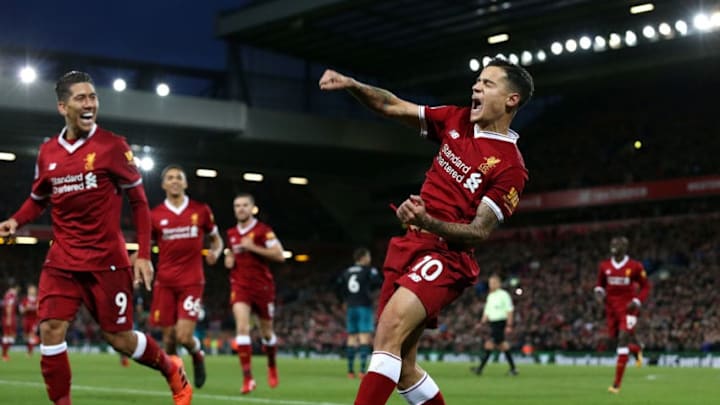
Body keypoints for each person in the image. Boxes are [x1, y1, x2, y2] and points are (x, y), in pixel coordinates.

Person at [319, 58, 533, 405]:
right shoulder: (457, 119)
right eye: (477, 81)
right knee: (403, 366)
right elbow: (392, 105)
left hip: (446, 255)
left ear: (512, 99)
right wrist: (353, 85)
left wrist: (429, 221)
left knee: (387, 332)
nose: (476, 87)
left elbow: (478, 232)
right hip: (409, 244)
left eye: (488, 84)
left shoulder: (510, 167)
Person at [0, 71, 192, 405]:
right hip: (62, 260)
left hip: (107, 261)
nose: (90, 104)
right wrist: (16, 221)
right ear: (63, 107)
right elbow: (39, 198)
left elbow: (139, 202)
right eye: (81, 98)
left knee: (119, 339)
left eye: (93, 97)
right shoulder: (47, 152)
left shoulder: (113, 146)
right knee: (50, 329)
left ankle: (170, 368)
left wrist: (144, 253)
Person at [148, 164, 223, 388]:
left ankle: (197, 354)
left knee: (183, 336)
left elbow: (217, 240)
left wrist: (216, 253)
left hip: (192, 281)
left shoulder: (200, 211)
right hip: (165, 282)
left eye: (179, 178)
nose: (174, 181)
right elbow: (145, 246)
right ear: (163, 185)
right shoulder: (154, 215)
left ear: (185, 183)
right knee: (169, 340)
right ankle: (178, 383)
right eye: (169, 178)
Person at [224, 193, 286, 394]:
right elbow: (231, 253)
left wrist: (254, 247)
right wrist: (229, 259)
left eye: (244, 205)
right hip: (240, 286)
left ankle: (272, 365)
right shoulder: (231, 233)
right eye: (237, 206)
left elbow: (280, 254)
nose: (240, 209)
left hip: (263, 287)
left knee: (267, 333)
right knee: (242, 328)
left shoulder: (263, 231)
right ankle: (248, 378)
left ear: (252, 208)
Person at [594, 236, 650, 394]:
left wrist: (637, 300)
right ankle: (636, 349)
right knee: (613, 340)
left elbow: (645, 286)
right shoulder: (604, 266)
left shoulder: (635, 266)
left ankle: (616, 385)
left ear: (625, 247)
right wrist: (598, 294)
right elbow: (599, 285)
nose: (614, 246)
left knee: (623, 338)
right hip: (611, 308)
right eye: (612, 244)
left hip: (628, 308)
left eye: (618, 244)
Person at [336, 247, 382, 378]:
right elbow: (378, 282)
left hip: (351, 306)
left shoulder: (347, 271)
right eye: (368, 256)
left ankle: (350, 371)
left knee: (351, 337)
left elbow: (338, 286)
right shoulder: (368, 270)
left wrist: (342, 301)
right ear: (363, 257)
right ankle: (362, 370)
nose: (370, 259)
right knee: (364, 337)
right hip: (364, 306)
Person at [470, 274, 517, 376]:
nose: (491, 285)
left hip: (500, 323)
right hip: (493, 323)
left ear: (499, 284)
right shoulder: (490, 296)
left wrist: (509, 325)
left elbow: (509, 310)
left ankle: (480, 369)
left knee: (489, 344)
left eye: (493, 283)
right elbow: (487, 312)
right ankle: (513, 369)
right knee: (503, 345)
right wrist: (481, 323)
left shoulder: (504, 294)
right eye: (490, 283)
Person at [19, 284, 40, 356]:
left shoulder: (38, 300)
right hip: (26, 320)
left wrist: (37, 309)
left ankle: (30, 352)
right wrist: (26, 309)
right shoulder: (25, 300)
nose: (32, 291)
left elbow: (40, 311)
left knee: (32, 335)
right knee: (26, 337)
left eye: (33, 289)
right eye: (31, 289)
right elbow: (21, 311)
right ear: (28, 291)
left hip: (34, 321)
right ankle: (29, 350)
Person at [2, 279, 19, 361]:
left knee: (10, 336)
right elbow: (9, 307)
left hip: (8, 317)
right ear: (15, 288)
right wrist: (9, 318)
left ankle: (5, 354)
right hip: (9, 317)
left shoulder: (7, 294)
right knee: (8, 336)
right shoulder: (11, 295)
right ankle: (4, 355)